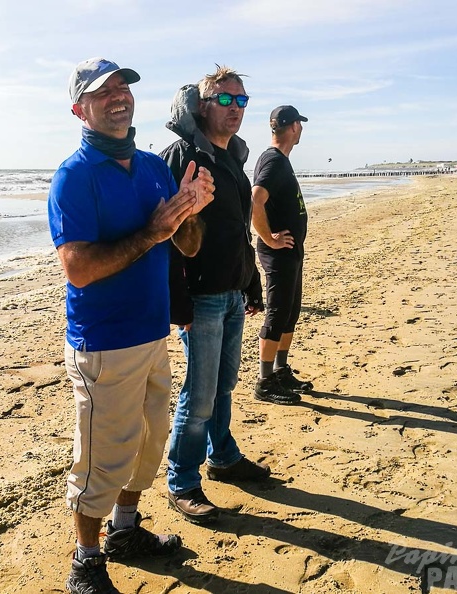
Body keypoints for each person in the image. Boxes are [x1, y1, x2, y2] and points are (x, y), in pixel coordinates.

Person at [48, 57, 215, 594]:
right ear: (80, 109)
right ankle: (86, 562)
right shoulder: (74, 177)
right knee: (100, 456)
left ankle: (125, 531)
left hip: (152, 334)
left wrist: (188, 213)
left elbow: (185, 247)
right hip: (104, 342)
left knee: (149, 442)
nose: (118, 96)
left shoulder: (151, 167)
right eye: (103, 92)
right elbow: (79, 269)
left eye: (123, 87)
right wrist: (151, 231)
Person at [160, 66, 267, 525]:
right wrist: (177, 301)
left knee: (224, 386)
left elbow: (236, 229)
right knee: (199, 394)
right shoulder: (181, 155)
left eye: (242, 101)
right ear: (203, 105)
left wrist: (252, 280)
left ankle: (222, 454)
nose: (235, 110)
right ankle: (182, 481)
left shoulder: (231, 159)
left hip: (231, 292)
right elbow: (164, 234)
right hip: (200, 298)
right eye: (225, 100)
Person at [250, 105, 314, 405]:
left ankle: (281, 369)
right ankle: (264, 381)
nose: (301, 129)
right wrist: (269, 238)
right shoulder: (274, 161)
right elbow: (255, 201)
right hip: (279, 253)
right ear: (293, 128)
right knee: (277, 313)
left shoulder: (280, 160)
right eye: (299, 124)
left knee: (290, 311)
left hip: (291, 251)